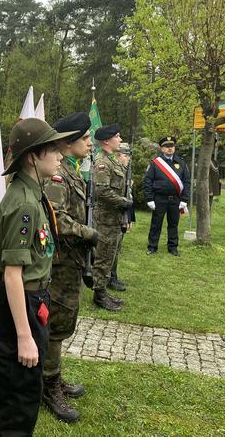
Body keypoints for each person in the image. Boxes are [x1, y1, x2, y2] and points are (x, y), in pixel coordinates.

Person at [0, 118, 76, 436]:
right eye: (53, 149)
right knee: (21, 390)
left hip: (31, 298)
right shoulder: (24, 204)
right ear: (32, 156)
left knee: (24, 385)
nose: (60, 155)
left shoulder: (34, 194)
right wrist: (25, 337)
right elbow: (13, 274)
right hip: (23, 300)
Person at [42, 112, 98, 423]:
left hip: (70, 261)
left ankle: (53, 376)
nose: (90, 143)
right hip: (59, 263)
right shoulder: (57, 175)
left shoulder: (70, 170)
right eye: (85, 138)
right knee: (56, 324)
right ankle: (48, 386)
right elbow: (55, 218)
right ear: (68, 141)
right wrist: (88, 233)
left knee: (62, 323)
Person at [91, 124, 133, 311]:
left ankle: (103, 290)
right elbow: (102, 192)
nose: (120, 139)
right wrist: (124, 202)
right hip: (105, 219)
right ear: (106, 140)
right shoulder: (102, 162)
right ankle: (99, 295)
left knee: (110, 256)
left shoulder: (113, 161)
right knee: (103, 257)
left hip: (115, 218)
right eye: (117, 136)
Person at [143, 136, 191, 256]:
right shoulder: (155, 163)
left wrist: (184, 199)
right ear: (162, 148)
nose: (170, 149)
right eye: (167, 146)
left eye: (172, 146)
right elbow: (148, 181)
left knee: (173, 224)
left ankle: (173, 247)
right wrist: (149, 199)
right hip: (159, 199)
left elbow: (187, 181)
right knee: (156, 224)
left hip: (175, 199)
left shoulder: (181, 162)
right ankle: (152, 247)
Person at [108, 142, 135, 292]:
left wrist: (130, 217)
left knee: (117, 248)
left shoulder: (124, 172)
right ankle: (108, 278)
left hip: (121, 215)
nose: (128, 159)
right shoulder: (113, 170)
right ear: (118, 156)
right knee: (109, 250)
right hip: (110, 216)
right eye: (126, 156)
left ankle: (113, 276)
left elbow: (129, 197)